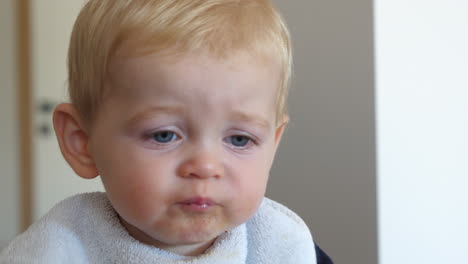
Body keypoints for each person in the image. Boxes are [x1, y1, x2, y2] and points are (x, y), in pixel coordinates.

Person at [1, 0, 333, 263]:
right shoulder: (58, 248)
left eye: (239, 139)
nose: (205, 166)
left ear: (272, 146)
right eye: (164, 135)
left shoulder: (284, 247)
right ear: (82, 142)